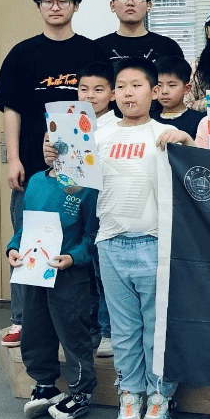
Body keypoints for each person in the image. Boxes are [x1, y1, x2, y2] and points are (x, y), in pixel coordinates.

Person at [0, 0, 109, 347]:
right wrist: (13, 159)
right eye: (48, 1)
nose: (55, 7)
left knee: (83, 244)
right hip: (35, 169)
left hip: (84, 171)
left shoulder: (92, 52)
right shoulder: (22, 53)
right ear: (38, 6)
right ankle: (23, 319)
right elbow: (11, 109)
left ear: (76, 5)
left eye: (63, 0)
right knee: (30, 241)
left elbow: (108, 106)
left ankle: (88, 323)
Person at [93, 57, 189, 419]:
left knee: (156, 328)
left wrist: (187, 141)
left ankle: (160, 397)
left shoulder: (165, 132)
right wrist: (58, 154)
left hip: (155, 244)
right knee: (124, 330)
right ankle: (130, 395)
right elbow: (73, 184)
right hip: (110, 244)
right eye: (121, 86)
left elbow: (200, 173)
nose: (128, 93)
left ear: (154, 91)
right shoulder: (98, 135)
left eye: (136, 85)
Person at [5, 163, 99, 419]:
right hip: (34, 272)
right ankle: (45, 384)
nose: (51, 147)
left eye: (58, 144)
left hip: (69, 275)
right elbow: (23, 228)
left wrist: (74, 257)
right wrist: (13, 248)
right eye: (47, 142)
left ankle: (81, 392)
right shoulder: (36, 181)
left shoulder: (86, 187)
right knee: (35, 328)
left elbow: (92, 234)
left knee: (73, 333)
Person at [73, 61, 120, 358]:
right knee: (81, 274)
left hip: (105, 211)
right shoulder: (69, 125)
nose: (90, 95)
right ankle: (87, 329)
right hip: (76, 208)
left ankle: (108, 331)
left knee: (104, 277)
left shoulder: (117, 127)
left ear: (113, 94)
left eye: (98, 89)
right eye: (84, 89)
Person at [95, 0, 185, 121]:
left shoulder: (168, 47)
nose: (130, 3)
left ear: (149, 5)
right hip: (110, 124)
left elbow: (178, 90)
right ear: (112, 5)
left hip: (159, 123)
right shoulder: (97, 48)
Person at [153, 55, 205, 140]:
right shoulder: (149, 119)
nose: (164, 91)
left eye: (171, 85)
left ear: (186, 89)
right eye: (159, 85)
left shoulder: (200, 121)